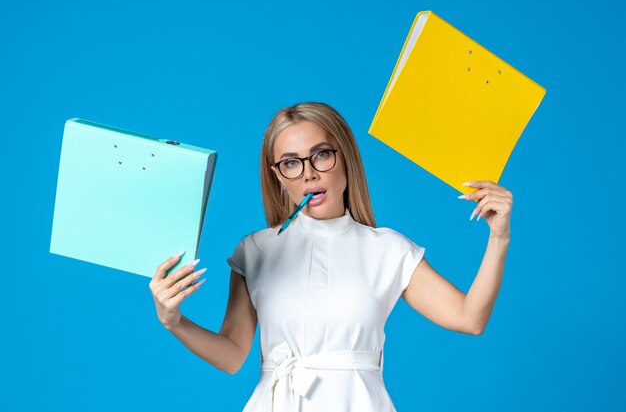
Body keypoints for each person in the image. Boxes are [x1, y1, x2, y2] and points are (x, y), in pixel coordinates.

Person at [149, 102, 513, 411]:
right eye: (291, 163)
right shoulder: (255, 250)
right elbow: (231, 356)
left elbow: (470, 318)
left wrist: (498, 237)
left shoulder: (388, 249)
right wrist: (174, 320)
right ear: (277, 176)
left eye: (320, 155)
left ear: (344, 157)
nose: (308, 174)